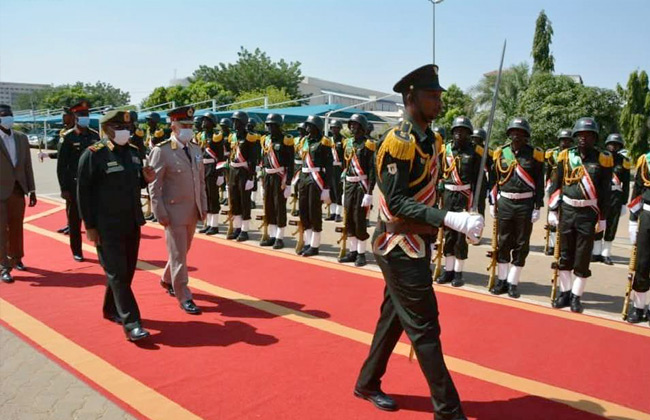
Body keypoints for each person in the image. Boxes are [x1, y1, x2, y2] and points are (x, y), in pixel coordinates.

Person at [355, 65, 482, 420]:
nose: (439, 102)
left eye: (440, 96)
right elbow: (396, 202)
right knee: (425, 327)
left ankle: (367, 382)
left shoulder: (432, 140)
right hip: (398, 244)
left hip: (416, 241)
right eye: (432, 96)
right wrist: (449, 218)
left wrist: (459, 213)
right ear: (410, 97)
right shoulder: (398, 141)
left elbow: (427, 190)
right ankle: (448, 410)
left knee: (394, 318)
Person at [77, 110, 154, 341]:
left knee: (126, 271)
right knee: (118, 273)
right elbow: (83, 194)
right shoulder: (93, 155)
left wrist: (145, 179)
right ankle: (132, 324)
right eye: (119, 126)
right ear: (106, 129)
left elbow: (132, 183)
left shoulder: (132, 152)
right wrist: (89, 226)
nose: (124, 131)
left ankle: (111, 308)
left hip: (131, 222)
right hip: (106, 225)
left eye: (126, 127)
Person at [548, 117, 613, 313]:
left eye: (588, 135)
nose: (583, 139)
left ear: (594, 138)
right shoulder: (566, 156)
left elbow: (605, 191)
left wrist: (603, 218)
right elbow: (556, 184)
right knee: (565, 255)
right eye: (580, 135)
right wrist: (552, 210)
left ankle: (576, 296)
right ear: (575, 137)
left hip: (588, 213)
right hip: (567, 211)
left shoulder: (602, 158)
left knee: (583, 257)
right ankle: (565, 293)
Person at [149, 106, 207, 315]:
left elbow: (200, 181)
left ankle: (167, 279)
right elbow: (154, 185)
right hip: (173, 211)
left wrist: (204, 205)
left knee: (182, 251)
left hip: (192, 210)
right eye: (184, 125)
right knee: (179, 255)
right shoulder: (162, 151)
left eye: (191, 126)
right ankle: (183, 294)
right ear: (173, 125)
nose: (189, 129)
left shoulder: (195, 149)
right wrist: (159, 211)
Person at [489, 118, 544, 298]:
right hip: (505, 202)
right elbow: (494, 180)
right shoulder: (500, 153)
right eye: (514, 132)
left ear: (526, 136)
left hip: (525, 204)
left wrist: (538, 205)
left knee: (521, 243)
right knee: (503, 241)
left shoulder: (535, 155)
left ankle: (513, 282)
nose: (516, 136)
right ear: (509, 134)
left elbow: (539, 183)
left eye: (521, 133)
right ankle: (502, 280)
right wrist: (492, 202)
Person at [436, 116, 483, 287]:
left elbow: (479, 181)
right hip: (448, 196)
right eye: (456, 131)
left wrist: (477, 205)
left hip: (465, 196)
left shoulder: (475, 152)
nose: (458, 134)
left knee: (461, 236)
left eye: (462, 131)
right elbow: (440, 174)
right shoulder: (445, 150)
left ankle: (458, 273)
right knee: (448, 233)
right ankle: (447, 271)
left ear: (468, 134)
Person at [56, 100, 100, 262]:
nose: (85, 118)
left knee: (96, 219)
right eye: (81, 115)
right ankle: (77, 250)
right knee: (74, 221)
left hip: (94, 187)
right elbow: (61, 166)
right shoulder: (67, 138)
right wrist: (64, 188)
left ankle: (99, 248)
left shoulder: (95, 136)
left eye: (87, 115)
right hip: (74, 186)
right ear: (75, 117)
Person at [0, 104, 37, 283]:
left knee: (16, 228)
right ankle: (3, 266)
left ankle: (16, 258)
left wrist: (32, 190)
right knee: (1, 231)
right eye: (4, 115)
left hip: (17, 190)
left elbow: (27, 166)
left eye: (10, 115)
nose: (8, 118)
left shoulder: (21, 138)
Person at [337, 113, 375, 267]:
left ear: (363, 127)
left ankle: (361, 253)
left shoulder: (368, 145)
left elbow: (372, 171)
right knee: (349, 220)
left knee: (359, 220)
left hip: (361, 185)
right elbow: (345, 166)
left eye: (356, 125)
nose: (352, 127)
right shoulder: (347, 143)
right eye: (351, 125)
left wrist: (369, 192)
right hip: (349, 185)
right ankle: (352, 251)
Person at [297, 115, 333, 257]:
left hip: (316, 179)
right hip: (304, 178)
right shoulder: (304, 141)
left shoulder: (323, 143)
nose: (306, 128)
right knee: (303, 211)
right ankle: (307, 242)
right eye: (306, 125)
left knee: (314, 212)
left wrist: (326, 187)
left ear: (317, 127)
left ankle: (315, 245)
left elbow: (329, 167)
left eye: (310, 126)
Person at [592, 133, 630, 265]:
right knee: (598, 222)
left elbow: (625, 184)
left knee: (611, 225)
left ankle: (606, 253)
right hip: (601, 195)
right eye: (611, 144)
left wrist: (624, 203)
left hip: (615, 197)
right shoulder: (600, 158)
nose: (613, 147)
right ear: (607, 144)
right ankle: (596, 252)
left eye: (616, 144)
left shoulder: (623, 161)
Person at [259, 113, 294, 249]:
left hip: (280, 177)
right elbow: (263, 161)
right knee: (269, 206)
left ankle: (280, 237)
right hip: (268, 176)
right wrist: (261, 178)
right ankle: (272, 235)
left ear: (279, 126)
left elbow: (290, 164)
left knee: (279, 206)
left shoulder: (286, 140)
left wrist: (289, 183)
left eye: (272, 125)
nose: (270, 127)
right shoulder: (265, 140)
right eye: (268, 125)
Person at [226, 111, 259, 241]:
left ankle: (244, 230)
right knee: (234, 200)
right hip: (234, 171)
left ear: (243, 123)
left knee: (244, 201)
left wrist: (251, 177)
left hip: (244, 172)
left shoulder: (250, 137)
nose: (234, 123)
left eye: (237, 121)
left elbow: (253, 159)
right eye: (233, 121)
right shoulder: (233, 137)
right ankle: (237, 228)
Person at [626, 151, 650, 324]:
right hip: (648, 215)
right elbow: (638, 189)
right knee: (642, 263)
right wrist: (633, 221)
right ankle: (639, 306)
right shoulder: (646, 160)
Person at [543, 129, 573, 255]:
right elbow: (549, 170)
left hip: (568, 186)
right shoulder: (552, 154)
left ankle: (562, 245)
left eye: (567, 141)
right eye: (562, 140)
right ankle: (551, 245)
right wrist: (547, 184)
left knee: (565, 216)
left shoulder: (573, 155)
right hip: (554, 188)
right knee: (552, 217)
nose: (564, 143)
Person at [196, 112, 225, 235]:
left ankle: (214, 225)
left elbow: (221, 157)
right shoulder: (200, 136)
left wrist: (220, 174)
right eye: (203, 120)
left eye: (206, 120)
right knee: (205, 196)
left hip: (212, 168)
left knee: (213, 197)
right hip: (202, 167)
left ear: (212, 123)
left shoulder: (216, 137)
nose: (203, 123)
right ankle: (207, 224)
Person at [469, 128, 492, 218]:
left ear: (482, 140)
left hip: (481, 181)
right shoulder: (469, 148)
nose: (475, 141)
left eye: (477, 139)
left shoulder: (487, 151)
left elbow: (491, 169)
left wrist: (491, 185)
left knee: (480, 206)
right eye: (473, 138)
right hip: (469, 180)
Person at [326, 119, 344, 222]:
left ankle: (338, 213)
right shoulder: (328, 140)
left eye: (336, 128)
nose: (334, 129)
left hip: (339, 168)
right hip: (330, 168)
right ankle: (332, 213)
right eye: (333, 128)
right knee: (331, 190)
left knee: (338, 191)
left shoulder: (343, 140)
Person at [290, 122, 307, 217]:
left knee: (302, 189)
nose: (301, 131)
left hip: (304, 165)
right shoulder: (295, 140)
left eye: (302, 130)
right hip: (296, 165)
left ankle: (302, 209)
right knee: (295, 188)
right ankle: (295, 207)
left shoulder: (307, 140)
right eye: (299, 130)